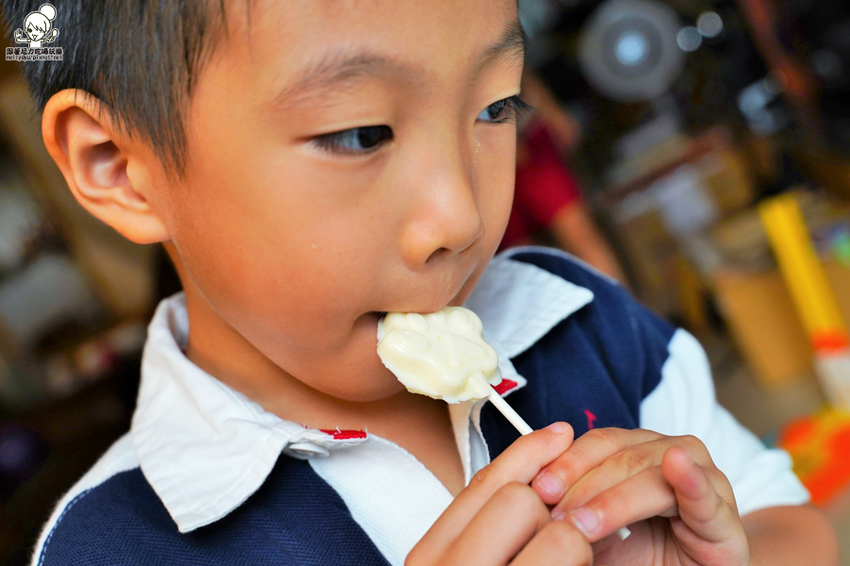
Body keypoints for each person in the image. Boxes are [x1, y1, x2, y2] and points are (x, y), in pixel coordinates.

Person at [1, 1, 838, 565]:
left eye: (496, 108)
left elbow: (793, 526)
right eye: (360, 132)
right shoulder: (112, 545)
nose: (462, 218)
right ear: (120, 167)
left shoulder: (578, 318)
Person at [502, 71, 628, 284]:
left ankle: (623, 311)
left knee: (580, 235)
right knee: (517, 263)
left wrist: (550, 107)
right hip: (479, 163)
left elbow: (514, 54)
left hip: (527, 136)